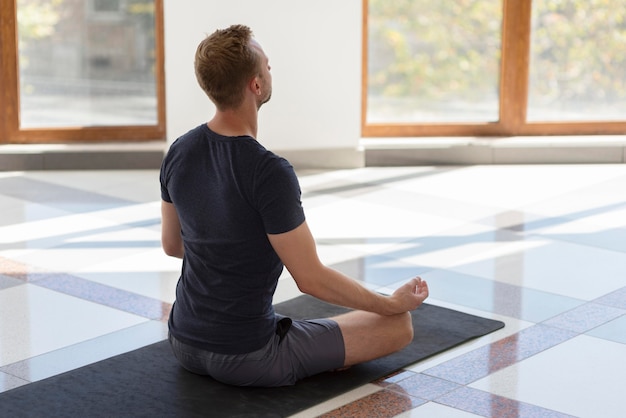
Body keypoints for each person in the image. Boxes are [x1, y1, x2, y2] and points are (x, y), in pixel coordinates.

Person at [160, 24, 429, 387]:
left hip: (182, 342)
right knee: (398, 327)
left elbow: (173, 246)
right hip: (249, 358)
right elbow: (310, 279)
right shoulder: (269, 171)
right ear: (256, 85)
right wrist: (390, 304)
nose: (270, 72)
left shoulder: (179, 150)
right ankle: (322, 356)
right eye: (267, 67)